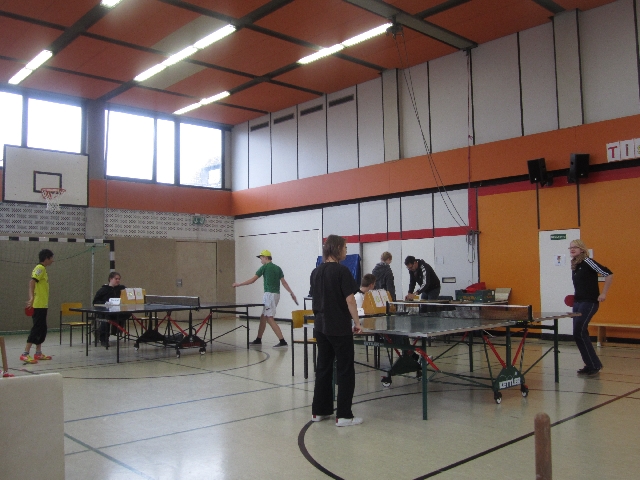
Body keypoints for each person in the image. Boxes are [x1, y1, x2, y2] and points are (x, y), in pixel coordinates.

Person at [309, 235, 363, 427]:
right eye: (345, 247)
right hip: (339, 327)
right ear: (337, 248)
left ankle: (319, 411)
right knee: (345, 370)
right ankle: (344, 415)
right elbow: (350, 300)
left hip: (320, 327)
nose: (346, 251)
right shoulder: (342, 271)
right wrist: (357, 322)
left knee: (323, 368)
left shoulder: (315, 272)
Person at [233, 249, 297, 348]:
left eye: (261, 258)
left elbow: (253, 280)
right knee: (263, 316)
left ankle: (282, 341)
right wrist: (291, 292)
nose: (260, 260)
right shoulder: (278, 268)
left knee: (269, 317)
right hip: (276, 295)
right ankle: (258, 339)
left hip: (269, 295)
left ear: (266, 257)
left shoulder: (264, 267)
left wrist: (239, 284)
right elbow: (284, 282)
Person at [569, 239, 613, 376]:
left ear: (582, 249)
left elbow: (608, 274)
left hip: (589, 302)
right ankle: (590, 364)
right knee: (578, 333)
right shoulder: (575, 264)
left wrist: (604, 293)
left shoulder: (588, 261)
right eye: (570, 247)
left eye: (575, 247)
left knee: (579, 331)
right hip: (578, 302)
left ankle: (594, 365)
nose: (572, 249)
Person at [21, 249, 54, 364]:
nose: (52, 260)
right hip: (38, 305)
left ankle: (38, 353)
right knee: (36, 329)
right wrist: (31, 298)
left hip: (43, 305)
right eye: (51, 258)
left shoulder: (43, 269)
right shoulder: (40, 268)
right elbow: (32, 282)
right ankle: (25, 354)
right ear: (46, 258)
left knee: (42, 328)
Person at [93, 272, 128, 347]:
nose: (118, 280)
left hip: (117, 311)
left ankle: (116, 330)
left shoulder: (122, 289)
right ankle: (104, 339)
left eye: (119, 279)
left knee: (127, 314)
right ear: (110, 279)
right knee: (106, 319)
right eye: (116, 279)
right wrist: (105, 303)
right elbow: (95, 302)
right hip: (105, 312)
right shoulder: (103, 290)